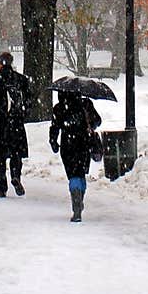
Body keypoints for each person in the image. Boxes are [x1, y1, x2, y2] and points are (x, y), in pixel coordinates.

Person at [49, 89, 102, 222]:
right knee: (81, 172)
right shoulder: (85, 104)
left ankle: (76, 202)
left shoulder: (59, 108)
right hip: (84, 143)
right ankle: (79, 199)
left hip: (67, 145)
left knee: (73, 174)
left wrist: (53, 141)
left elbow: (55, 127)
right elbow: (97, 121)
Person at [0, 51, 31, 197]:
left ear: (0, 63)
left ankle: (2, 186)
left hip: (0, 123)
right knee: (16, 153)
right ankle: (16, 175)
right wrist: (22, 115)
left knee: (1, 157)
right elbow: (28, 100)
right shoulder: (21, 80)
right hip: (16, 122)